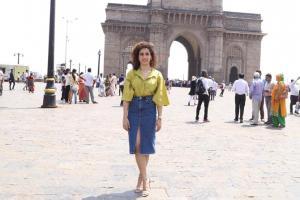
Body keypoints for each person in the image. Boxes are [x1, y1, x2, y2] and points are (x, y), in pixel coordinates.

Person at [122, 41, 169, 197]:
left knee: (145, 145)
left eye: (147, 54)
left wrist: (160, 117)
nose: (144, 57)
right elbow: (127, 96)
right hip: (134, 108)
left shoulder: (157, 75)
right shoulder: (131, 74)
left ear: (151, 56)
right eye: (141, 54)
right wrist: (124, 116)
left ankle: (142, 179)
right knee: (136, 144)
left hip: (150, 109)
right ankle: (145, 178)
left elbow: (160, 97)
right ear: (137, 56)